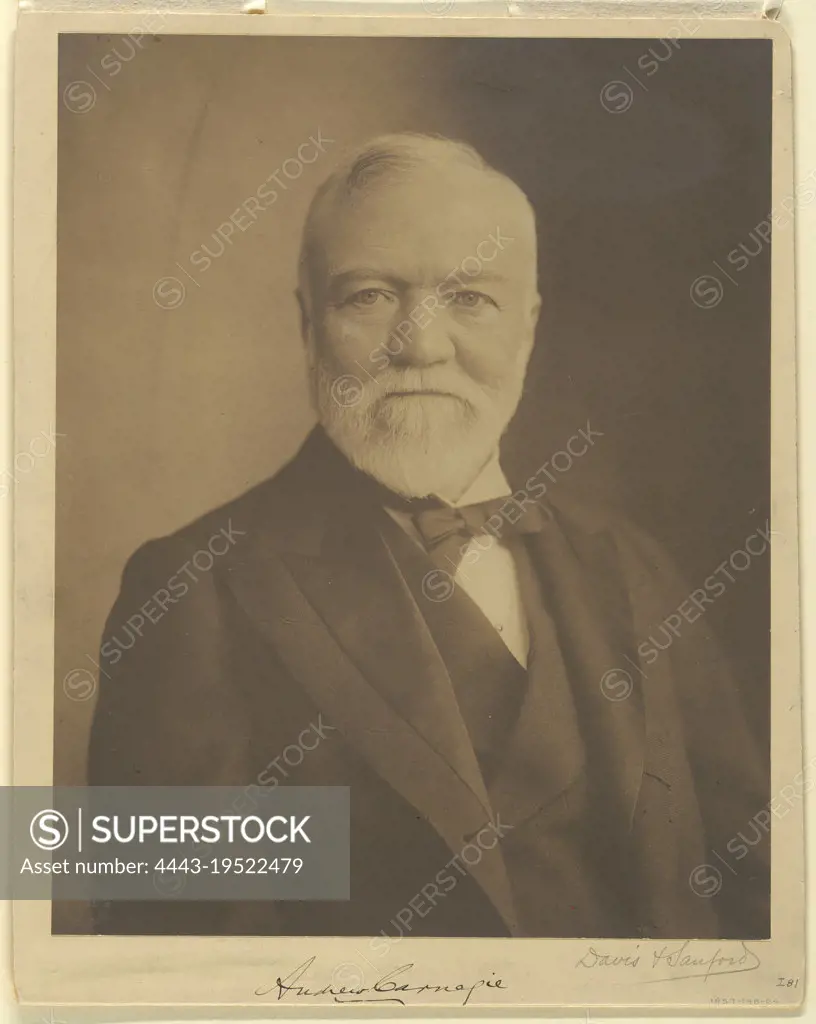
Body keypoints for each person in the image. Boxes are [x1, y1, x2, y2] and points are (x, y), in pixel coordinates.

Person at [89, 133, 769, 939]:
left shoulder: (634, 568)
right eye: (369, 296)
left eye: (471, 298)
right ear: (308, 324)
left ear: (527, 327)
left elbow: (761, 896)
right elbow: (173, 958)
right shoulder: (189, 589)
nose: (419, 344)